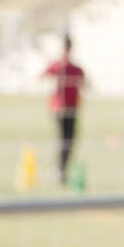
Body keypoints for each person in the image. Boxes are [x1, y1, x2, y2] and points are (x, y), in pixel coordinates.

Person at [41, 34, 87, 187]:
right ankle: (60, 170)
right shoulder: (61, 66)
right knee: (65, 140)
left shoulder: (73, 68)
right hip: (61, 108)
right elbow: (43, 76)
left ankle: (61, 169)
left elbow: (85, 83)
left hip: (70, 108)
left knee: (68, 141)